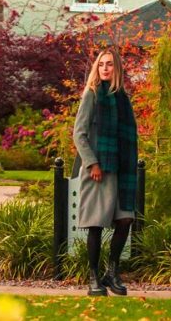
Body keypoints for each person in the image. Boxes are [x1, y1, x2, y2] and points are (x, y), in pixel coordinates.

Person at [73, 48, 138, 296]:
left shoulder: (123, 98)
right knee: (96, 225)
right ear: (96, 68)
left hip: (122, 169)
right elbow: (79, 134)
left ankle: (112, 273)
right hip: (99, 170)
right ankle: (93, 279)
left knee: (125, 220)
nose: (105, 69)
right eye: (101, 65)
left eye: (110, 64)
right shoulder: (91, 95)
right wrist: (92, 164)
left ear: (117, 68)